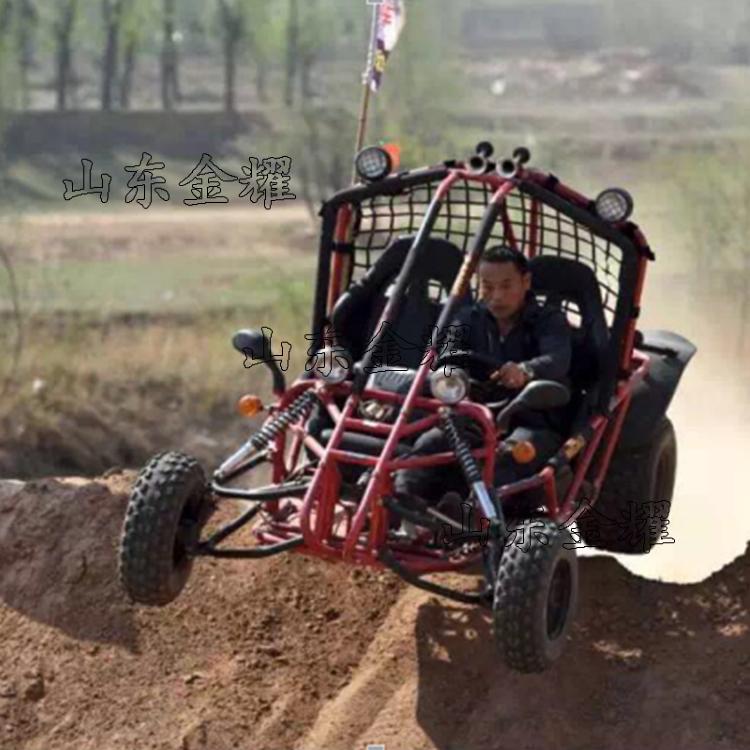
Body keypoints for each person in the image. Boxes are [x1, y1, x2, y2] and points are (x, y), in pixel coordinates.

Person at [392, 244, 573, 519]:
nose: (496, 296)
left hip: (531, 419)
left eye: (505, 286)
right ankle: (399, 507)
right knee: (430, 444)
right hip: (476, 414)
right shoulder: (468, 318)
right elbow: (446, 357)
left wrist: (526, 370)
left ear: (526, 282)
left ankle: (474, 523)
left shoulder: (548, 320)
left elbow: (558, 359)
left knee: (505, 460)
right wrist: (453, 376)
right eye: (487, 287)